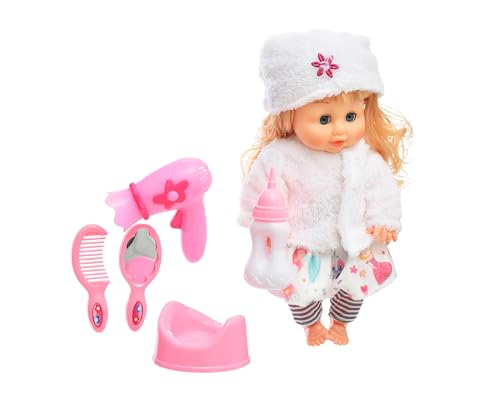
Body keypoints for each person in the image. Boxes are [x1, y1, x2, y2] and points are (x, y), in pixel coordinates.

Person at [239, 30, 412, 346]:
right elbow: (261, 189)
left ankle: (341, 322)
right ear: (289, 116)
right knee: (298, 293)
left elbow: (381, 189)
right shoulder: (281, 156)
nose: (340, 130)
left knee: (355, 289)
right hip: (303, 240)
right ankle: (312, 325)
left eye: (351, 116)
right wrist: (259, 223)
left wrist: (384, 221)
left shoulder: (363, 156)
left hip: (354, 241)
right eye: (324, 120)